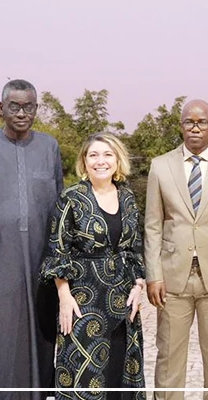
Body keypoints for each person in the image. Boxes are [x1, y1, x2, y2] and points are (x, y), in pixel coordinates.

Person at [0, 79, 65, 399]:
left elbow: (59, 208)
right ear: (1, 108)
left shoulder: (49, 147)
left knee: (37, 339)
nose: (22, 113)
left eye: (29, 106)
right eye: (14, 106)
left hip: (39, 264)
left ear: (37, 108)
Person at [143, 99, 208, 400]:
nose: (195, 127)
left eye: (202, 122)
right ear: (181, 125)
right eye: (189, 122)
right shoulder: (160, 166)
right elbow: (152, 225)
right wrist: (154, 274)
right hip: (172, 276)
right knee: (168, 354)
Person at [40, 132, 147, 399]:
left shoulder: (127, 197)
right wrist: (64, 297)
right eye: (94, 155)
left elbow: (134, 247)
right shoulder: (71, 198)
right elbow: (57, 250)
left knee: (118, 373)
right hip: (83, 300)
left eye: (107, 154)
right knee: (83, 376)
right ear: (84, 162)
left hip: (122, 299)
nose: (101, 161)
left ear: (117, 160)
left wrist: (139, 285)